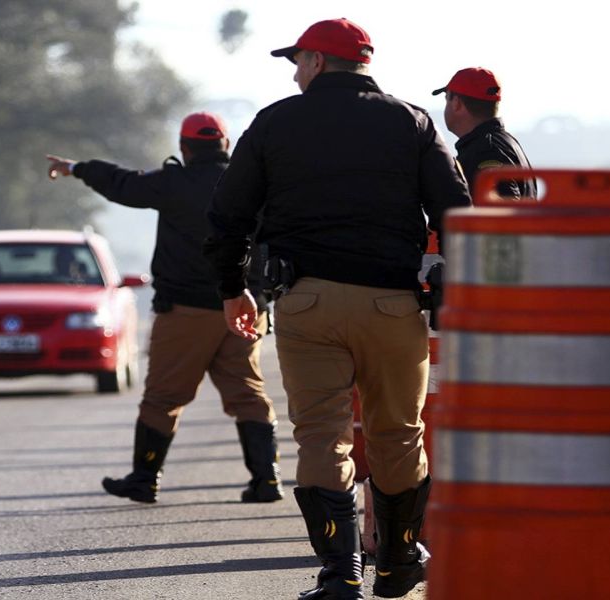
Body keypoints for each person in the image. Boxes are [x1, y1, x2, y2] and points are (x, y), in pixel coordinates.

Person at [203, 19, 471, 599]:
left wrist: (233, 289)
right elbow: (457, 212)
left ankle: (340, 571)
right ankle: (399, 560)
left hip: (309, 302)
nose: (295, 72)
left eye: (297, 60)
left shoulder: (275, 122)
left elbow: (229, 216)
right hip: (393, 303)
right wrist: (453, 288)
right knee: (399, 434)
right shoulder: (413, 122)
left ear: (319, 61)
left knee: (322, 438)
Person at [46, 112, 283, 505]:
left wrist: (78, 168)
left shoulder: (174, 183)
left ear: (185, 148)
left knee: (163, 398)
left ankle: (144, 479)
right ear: (225, 144)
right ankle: (266, 479)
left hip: (187, 311)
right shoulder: (254, 184)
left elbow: (124, 183)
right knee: (248, 394)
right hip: (245, 307)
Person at [433, 67, 536, 199]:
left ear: (456, 103)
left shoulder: (486, 151)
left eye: (447, 99)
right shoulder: (505, 143)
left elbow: (502, 210)